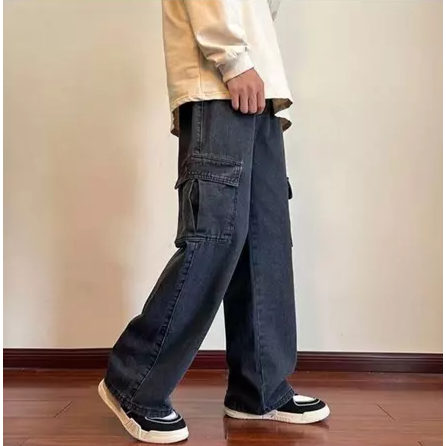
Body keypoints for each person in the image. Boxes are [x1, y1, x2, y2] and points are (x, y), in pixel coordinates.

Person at [98, 0, 330, 443]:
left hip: (261, 83)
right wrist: (233, 58)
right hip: (220, 81)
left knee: (265, 237)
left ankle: (259, 387)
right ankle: (134, 381)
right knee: (214, 237)